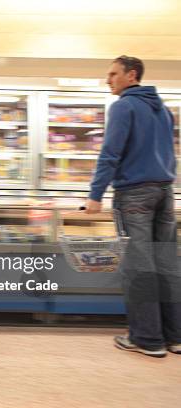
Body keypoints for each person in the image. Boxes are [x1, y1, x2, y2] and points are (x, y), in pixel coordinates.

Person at [86, 55, 181, 357]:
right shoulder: (163, 110)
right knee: (166, 264)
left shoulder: (123, 106)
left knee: (140, 267)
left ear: (132, 75)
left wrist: (95, 195)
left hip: (135, 195)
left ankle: (147, 339)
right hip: (165, 192)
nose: (108, 79)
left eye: (113, 74)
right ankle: (175, 337)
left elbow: (110, 153)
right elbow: (171, 155)